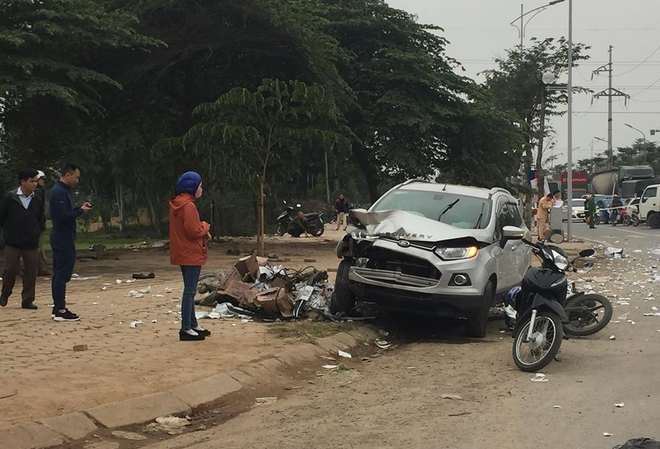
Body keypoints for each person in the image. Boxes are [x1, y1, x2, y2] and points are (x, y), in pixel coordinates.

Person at [169, 171, 212, 342]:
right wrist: (205, 226)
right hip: (191, 253)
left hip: (182, 252)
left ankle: (193, 324)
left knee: (189, 289)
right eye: (199, 185)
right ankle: (186, 328)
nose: (201, 189)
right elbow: (194, 230)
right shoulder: (188, 206)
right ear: (192, 186)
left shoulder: (176, 204)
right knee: (189, 292)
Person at [50, 163, 92, 321]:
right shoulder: (59, 192)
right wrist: (80, 211)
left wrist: (78, 209)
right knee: (62, 274)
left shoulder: (62, 191)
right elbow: (62, 218)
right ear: (67, 175)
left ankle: (57, 306)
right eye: (76, 177)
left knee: (60, 273)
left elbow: (66, 214)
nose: (77, 181)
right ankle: (60, 309)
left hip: (63, 237)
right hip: (62, 238)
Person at [0, 169, 46, 309]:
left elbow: (40, 218)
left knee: (31, 271)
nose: (35, 184)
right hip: (12, 242)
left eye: (36, 181)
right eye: (31, 181)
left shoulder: (37, 199)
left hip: (31, 242)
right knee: (11, 269)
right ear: (23, 182)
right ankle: (5, 293)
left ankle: (27, 300)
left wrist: (37, 232)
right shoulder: (10, 198)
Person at [35, 170, 51, 276]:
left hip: (38, 224)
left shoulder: (39, 191)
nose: (43, 181)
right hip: (36, 225)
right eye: (42, 179)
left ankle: (42, 268)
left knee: (39, 248)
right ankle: (29, 269)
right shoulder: (37, 192)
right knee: (36, 248)